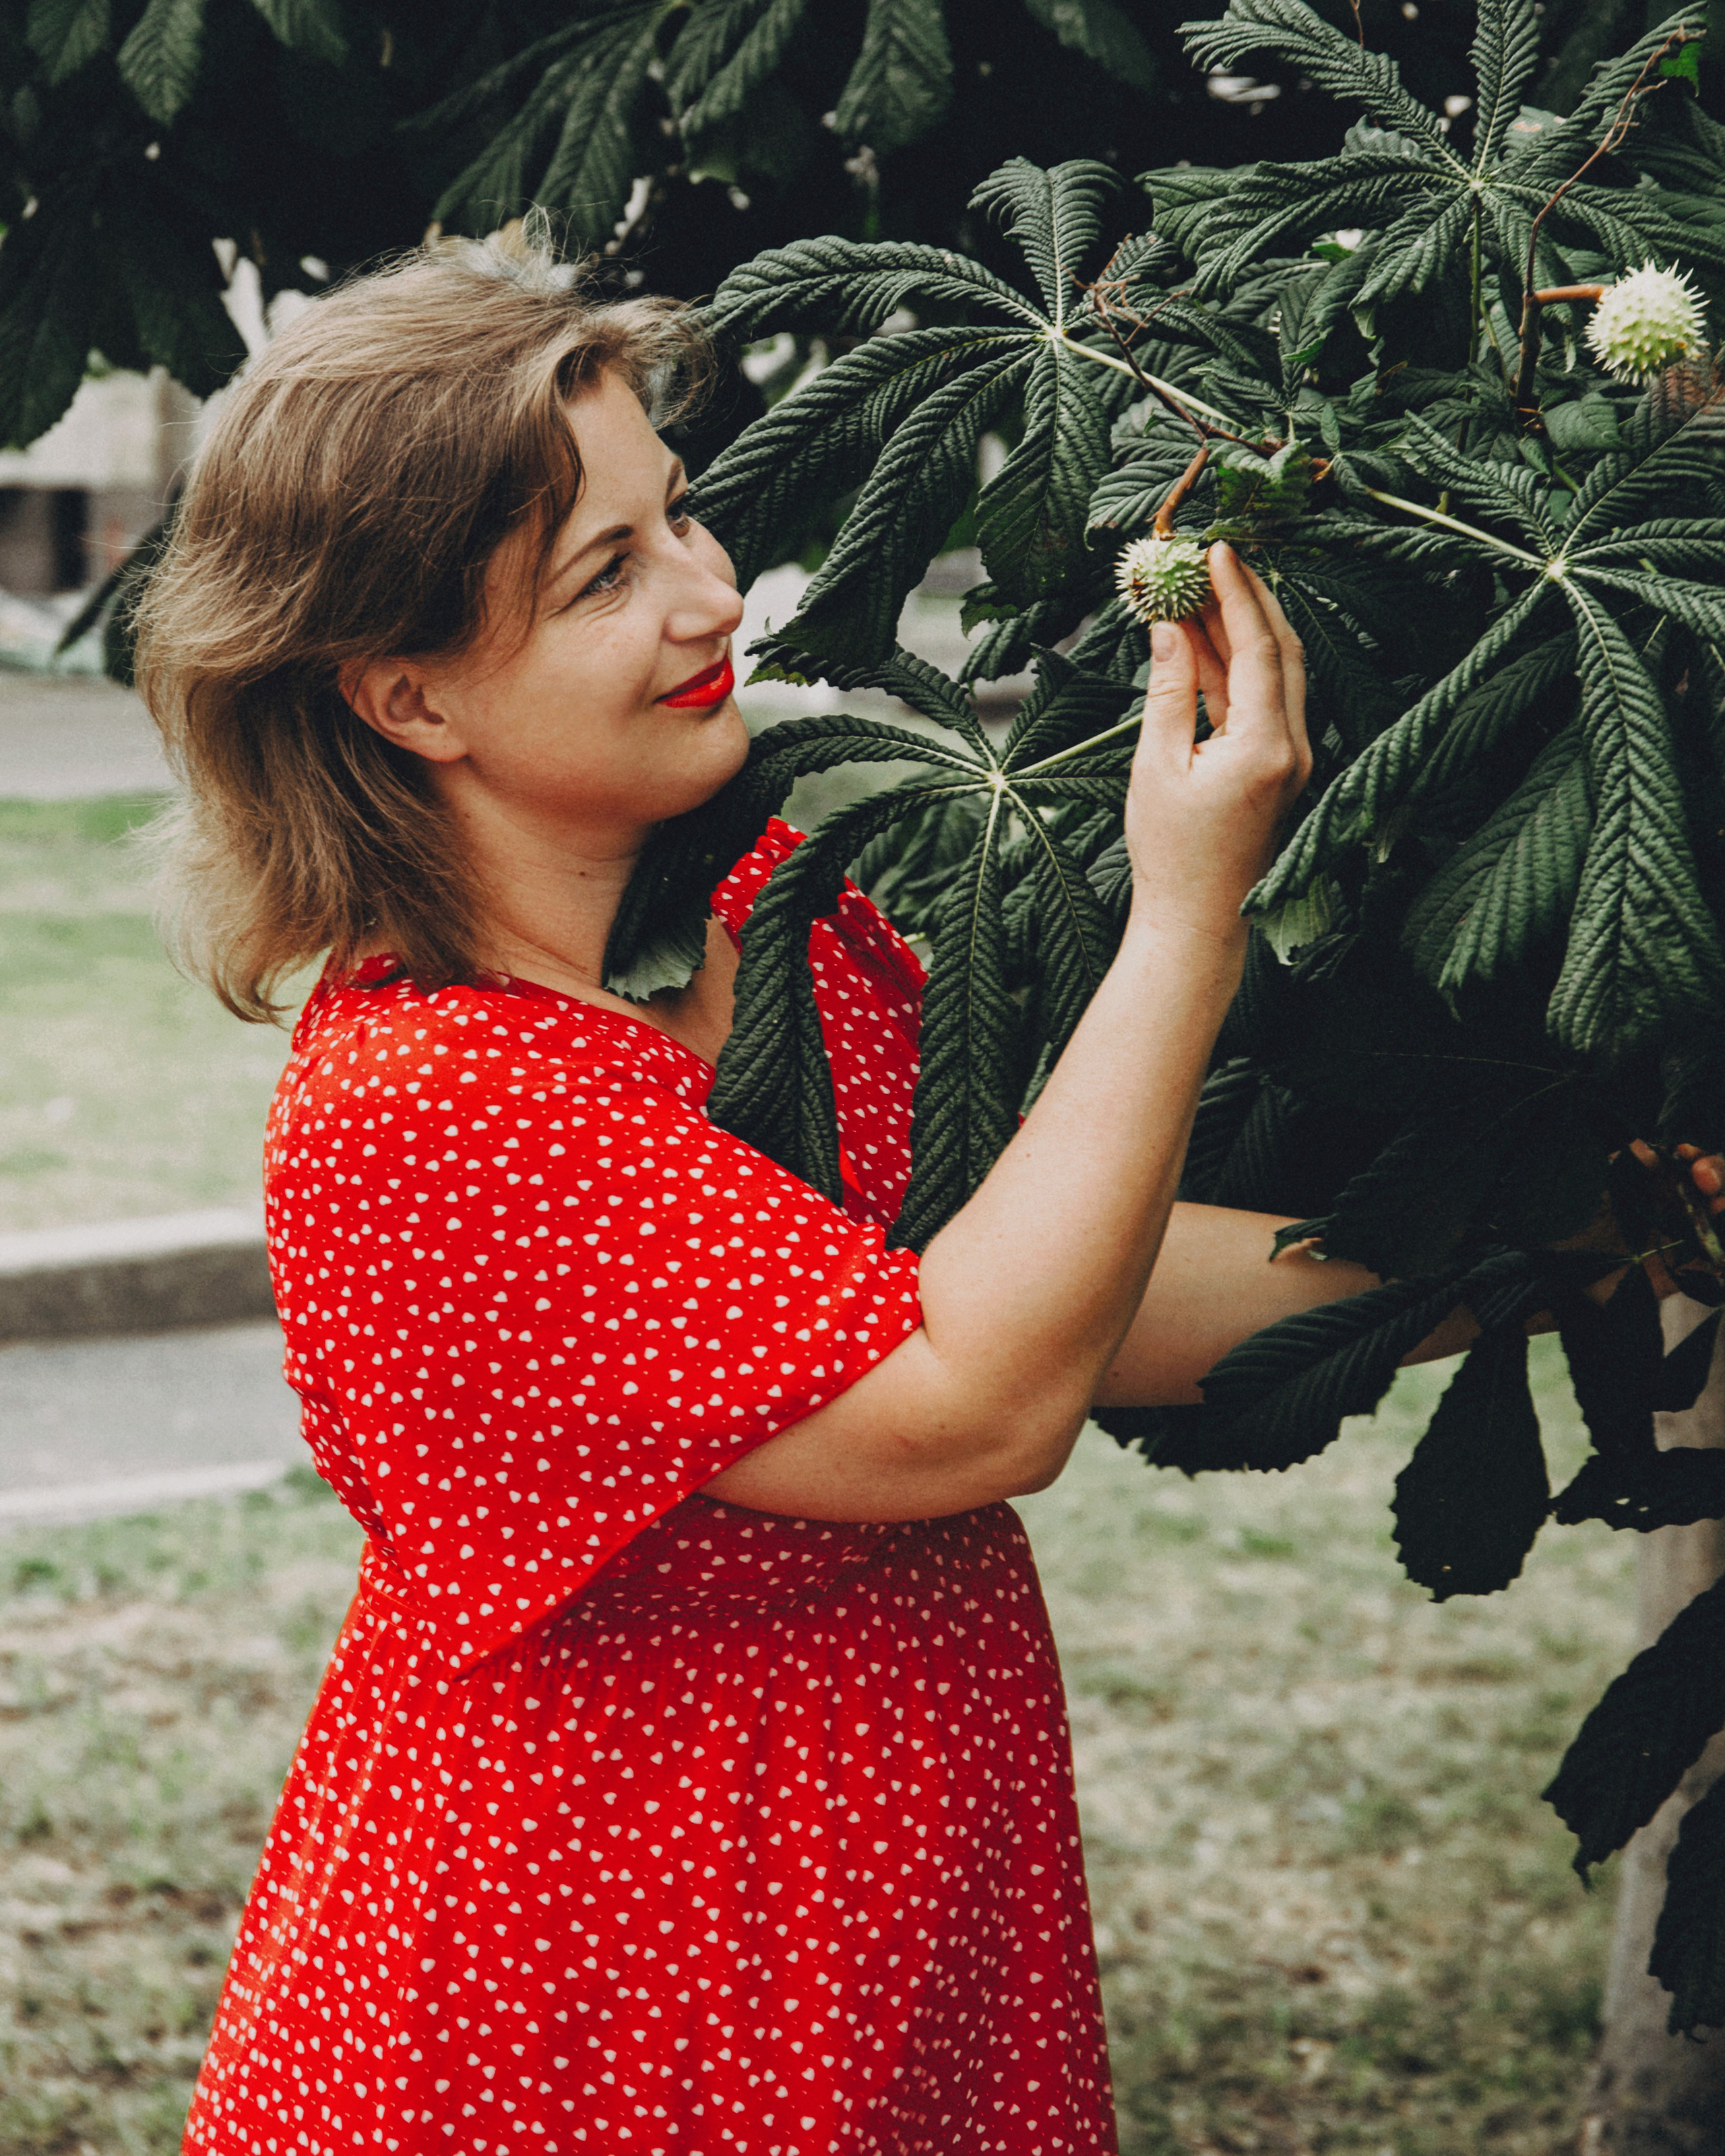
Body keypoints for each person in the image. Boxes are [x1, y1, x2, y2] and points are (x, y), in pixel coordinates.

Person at [135, 237, 1721, 2156]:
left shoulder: (752, 916)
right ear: (409, 700)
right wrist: (1187, 906)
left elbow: (1079, 1287)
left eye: (684, 514)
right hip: (600, 1999)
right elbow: (980, 1398)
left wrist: (1582, 1233)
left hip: (880, 1928)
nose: (712, 592)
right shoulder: (430, 1107)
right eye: (604, 573)